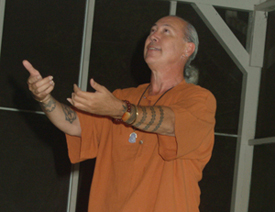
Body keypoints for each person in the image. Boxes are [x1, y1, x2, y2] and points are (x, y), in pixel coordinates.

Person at [25, 15, 216, 212]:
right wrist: (44, 98)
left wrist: (120, 110)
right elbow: (73, 124)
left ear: (188, 48)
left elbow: (171, 123)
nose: (153, 36)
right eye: (152, 31)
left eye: (166, 31)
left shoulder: (199, 100)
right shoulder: (123, 96)